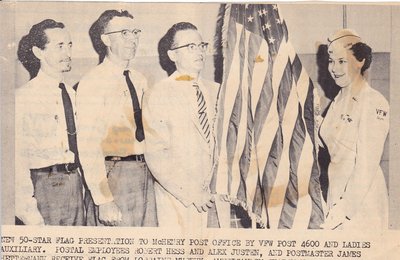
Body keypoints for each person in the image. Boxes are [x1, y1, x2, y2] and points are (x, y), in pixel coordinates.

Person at [143, 22, 229, 232]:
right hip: (181, 199)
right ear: (173, 55)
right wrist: (191, 193)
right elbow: (157, 154)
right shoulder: (158, 93)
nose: (199, 52)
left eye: (201, 45)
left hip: (218, 197)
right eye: (190, 47)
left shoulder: (218, 91)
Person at [76, 10, 157, 226]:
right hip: (114, 174)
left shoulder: (139, 79)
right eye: (124, 33)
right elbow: (88, 146)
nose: (133, 39)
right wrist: (103, 200)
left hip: (144, 173)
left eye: (135, 32)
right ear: (105, 39)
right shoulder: (93, 82)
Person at [15, 19, 84, 225]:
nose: (68, 53)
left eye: (69, 45)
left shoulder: (72, 94)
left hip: (74, 182)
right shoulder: (23, 97)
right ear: (39, 52)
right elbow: (16, 159)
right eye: (60, 46)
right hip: (45, 185)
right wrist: (28, 211)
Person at [319, 29, 389, 230]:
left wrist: (343, 210)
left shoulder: (373, 101)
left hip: (362, 200)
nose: (334, 68)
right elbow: (332, 143)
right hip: (336, 191)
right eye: (331, 61)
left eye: (342, 61)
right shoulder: (338, 100)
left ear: (359, 61)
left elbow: (366, 165)